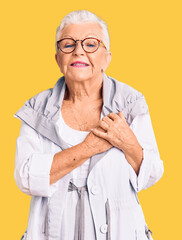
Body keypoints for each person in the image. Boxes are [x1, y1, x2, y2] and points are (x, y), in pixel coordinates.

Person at [13, 10, 164, 240]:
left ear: (107, 57)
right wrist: (88, 148)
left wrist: (129, 142)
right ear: (57, 58)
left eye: (91, 44)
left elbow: (152, 173)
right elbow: (25, 177)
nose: (78, 51)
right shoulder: (38, 110)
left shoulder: (131, 104)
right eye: (68, 44)